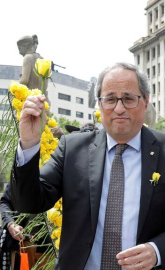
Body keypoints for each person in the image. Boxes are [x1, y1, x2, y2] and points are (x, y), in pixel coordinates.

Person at [10, 62, 165, 270]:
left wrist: (158, 251)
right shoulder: (72, 149)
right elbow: (29, 203)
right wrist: (28, 144)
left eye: (128, 98)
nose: (119, 108)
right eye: (110, 99)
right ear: (99, 104)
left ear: (145, 101)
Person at [0, 181, 51, 270]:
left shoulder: (56, 170)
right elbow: (6, 202)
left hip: (50, 246)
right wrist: (10, 223)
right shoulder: (21, 170)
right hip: (21, 243)